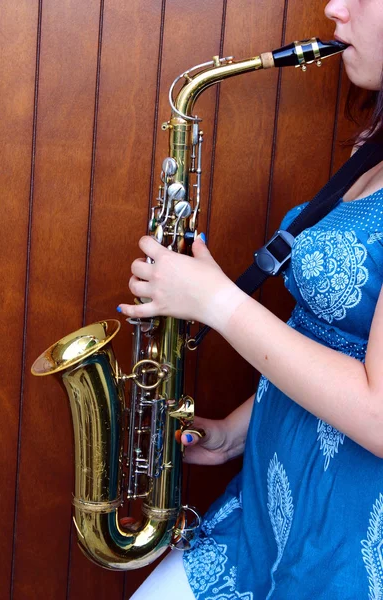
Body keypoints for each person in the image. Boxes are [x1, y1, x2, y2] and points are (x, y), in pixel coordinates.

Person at [119, 0, 383, 597]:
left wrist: (217, 304)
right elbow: (336, 331)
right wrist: (237, 432)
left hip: (345, 558)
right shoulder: (376, 145)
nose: (333, 8)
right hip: (264, 517)